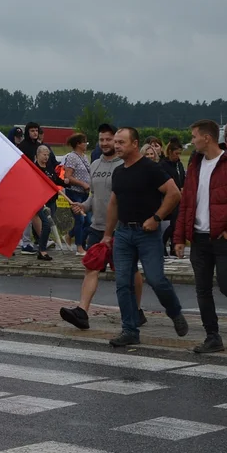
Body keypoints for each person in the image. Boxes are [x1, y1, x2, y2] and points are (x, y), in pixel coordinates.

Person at [174, 119, 227, 354]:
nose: (192, 141)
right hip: (198, 239)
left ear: (206, 137)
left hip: (224, 238)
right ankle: (212, 336)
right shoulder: (195, 164)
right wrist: (180, 237)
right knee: (202, 289)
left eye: (194, 136)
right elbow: (187, 202)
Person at [105, 127, 189, 348]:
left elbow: (174, 194)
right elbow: (114, 203)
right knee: (123, 283)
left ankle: (175, 312)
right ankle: (129, 330)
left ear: (135, 144)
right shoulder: (119, 172)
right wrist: (107, 234)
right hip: (123, 233)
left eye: (121, 142)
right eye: (116, 142)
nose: (117, 146)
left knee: (156, 279)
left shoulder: (151, 169)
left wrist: (157, 217)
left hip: (147, 233)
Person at [61, 125, 147, 330]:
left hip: (121, 229)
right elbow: (94, 196)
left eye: (110, 140)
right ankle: (82, 312)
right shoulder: (96, 164)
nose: (106, 144)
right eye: (102, 140)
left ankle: (136, 311)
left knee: (128, 272)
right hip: (97, 228)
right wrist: (83, 205)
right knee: (91, 268)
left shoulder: (125, 165)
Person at [62, 133, 92, 255]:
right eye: (84, 142)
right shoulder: (72, 157)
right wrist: (82, 184)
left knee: (88, 221)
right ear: (78, 144)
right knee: (79, 219)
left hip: (84, 194)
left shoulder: (85, 157)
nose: (86, 144)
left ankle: (70, 235)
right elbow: (68, 176)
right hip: (74, 193)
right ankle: (79, 247)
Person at [160, 139, 186, 258]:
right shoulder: (163, 165)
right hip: (168, 197)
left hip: (180, 197)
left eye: (180, 153)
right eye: (176, 153)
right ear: (170, 152)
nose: (178, 156)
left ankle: (173, 247)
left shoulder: (179, 164)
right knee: (171, 224)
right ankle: (162, 244)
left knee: (177, 223)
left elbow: (182, 178)